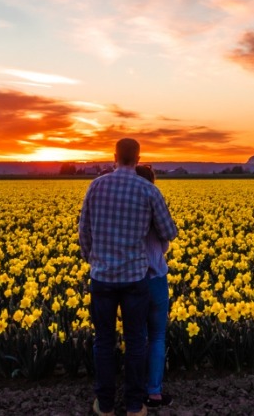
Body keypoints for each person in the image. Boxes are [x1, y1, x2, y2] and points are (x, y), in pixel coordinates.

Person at [78, 138, 179, 416]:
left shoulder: (96, 186)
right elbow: (169, 232)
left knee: (104, 340)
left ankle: (106, 404)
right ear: (138, 157)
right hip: (135, 278)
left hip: (102, 278)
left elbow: (83, 232)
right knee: (136, 340)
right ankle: (136, 406)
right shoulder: (148, 190)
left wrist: (94, 260)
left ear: (114, 156)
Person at [134, 165, 173, 408]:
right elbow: (167, 240)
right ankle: (154, 392)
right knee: (157, 337)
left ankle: (134, 390)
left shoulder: (126, 210)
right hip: (157, 277)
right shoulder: (155, 203)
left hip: (133, 280)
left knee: (138, 337)